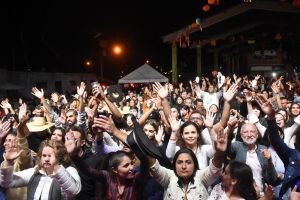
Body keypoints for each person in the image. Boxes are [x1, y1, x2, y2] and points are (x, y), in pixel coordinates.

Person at [147, 126, 227, 200]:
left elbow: (214, 169)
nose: (184, 166)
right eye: (179, 162)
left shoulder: (201, 177)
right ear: (174, 165)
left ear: (194, 165)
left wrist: (220, 153)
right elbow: (155, 168)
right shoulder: (169, 177)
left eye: (188, 162)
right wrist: (146, 143)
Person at [0, 139, 81, 200]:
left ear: (59, 156)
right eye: (44, 155)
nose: (46, 159)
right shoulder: (36, 171)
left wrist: (56, 166)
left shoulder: (69, 170)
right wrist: (9, 162)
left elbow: (74, 191)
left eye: (50, 155)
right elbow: (8, 183)